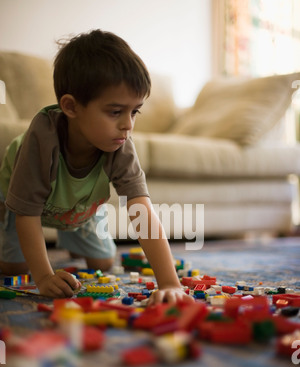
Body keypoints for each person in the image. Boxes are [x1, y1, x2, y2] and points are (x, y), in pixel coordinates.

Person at [0, 29, 193, 305]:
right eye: (115, 112)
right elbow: (27, 215)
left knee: (102, 261)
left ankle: (70, 239)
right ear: (71, 106)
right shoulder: (41, 139)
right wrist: (43, 277)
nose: (128, 124)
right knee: (15, 268)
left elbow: (142, 212)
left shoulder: (119, 143)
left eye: (134, 111)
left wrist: (170, 283)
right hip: (21, 203)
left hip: (79, 209)